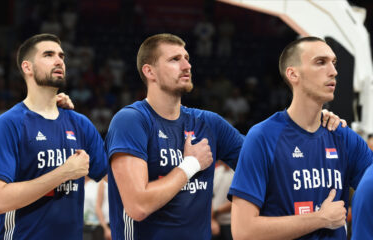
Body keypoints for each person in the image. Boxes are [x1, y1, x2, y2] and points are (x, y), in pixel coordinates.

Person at [105, 33, 344, 240]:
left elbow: (274, 163)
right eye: (174, 60)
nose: (187, 66)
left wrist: (313, 121)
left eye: (187, 58)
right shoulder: (131, 121)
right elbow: (138, 206)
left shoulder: (209, 123)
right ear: (150, 71)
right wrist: (191, 164)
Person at [229, 36, 373, 240]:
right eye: (320, 62)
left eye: (334, 63)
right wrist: (320, 219)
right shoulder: (262, 136)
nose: (333, 71)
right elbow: (243, 231)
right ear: (293, 74)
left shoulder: (344, 136)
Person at [0, 33, 108, 240]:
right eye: (48, 55)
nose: (59, 61)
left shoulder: (80, 123)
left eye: (62, 56)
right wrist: (63, 173)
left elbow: (116, 179)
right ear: (27, 67)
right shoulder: (10, 123)